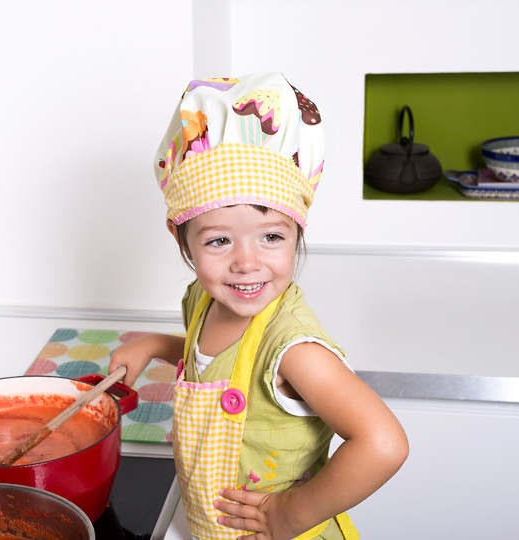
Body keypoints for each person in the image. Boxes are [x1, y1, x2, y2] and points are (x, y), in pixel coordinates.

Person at [109, 73, 408, 540]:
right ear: (182, 238)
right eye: (219, 241)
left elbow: (384, 443)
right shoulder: (203, 299)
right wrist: (152, 345)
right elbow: (210, 360)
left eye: (271, 237)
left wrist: (290, 513)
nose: (246, 263)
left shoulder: (295, 351)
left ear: (297, 234)